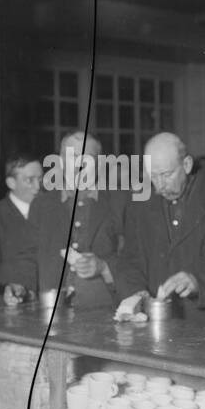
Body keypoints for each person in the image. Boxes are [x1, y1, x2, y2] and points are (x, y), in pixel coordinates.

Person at [113, 132, 205, 323]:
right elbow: (130, 259)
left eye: (166, 175)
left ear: (187, 165)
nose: (160, 186)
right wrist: (135, 293)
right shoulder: (140, 202)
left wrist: (200, 283)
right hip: (156, 323)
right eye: (153, 176)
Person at [32, 132, 128, 309]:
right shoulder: (41, 204)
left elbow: (134, 258)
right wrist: (18, 285)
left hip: (103, 311)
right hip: (50, 311)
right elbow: (27, 256)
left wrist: (104, 266)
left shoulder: (120, 202)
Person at [0, 155, 44, 298]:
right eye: (29, 180)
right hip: (12, 300)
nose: (38, 187)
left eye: (40, 179)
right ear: (11, 183)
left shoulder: (52, 211)